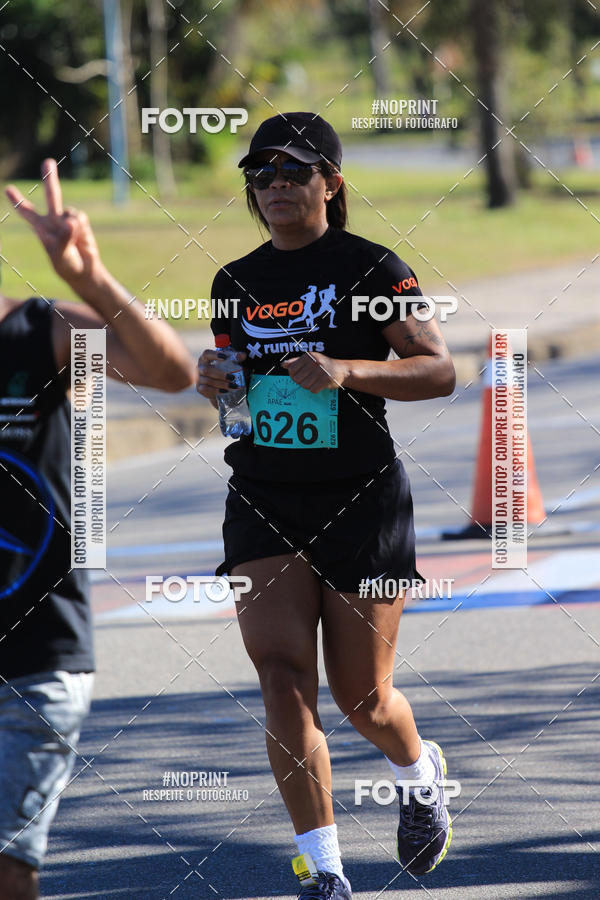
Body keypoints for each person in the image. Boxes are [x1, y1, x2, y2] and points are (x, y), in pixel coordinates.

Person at [197, 112, 456, 899]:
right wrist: (219, 385)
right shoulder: (233, 281)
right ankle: (324, 868)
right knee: (281, 679)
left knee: (364, 700)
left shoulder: (372, 269)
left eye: (293, 171)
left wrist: (348, 370)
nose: (275, 185)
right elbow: (239, 405)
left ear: (330, 184)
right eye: (261, 174)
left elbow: (440, 370)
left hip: (361, 499)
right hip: (264, 497)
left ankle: (419, 772)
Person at [0, 159, 196, 900]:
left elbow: (170, 372)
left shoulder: (38, 331)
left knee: (8, 869)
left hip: (36, 654)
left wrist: (92, 281)